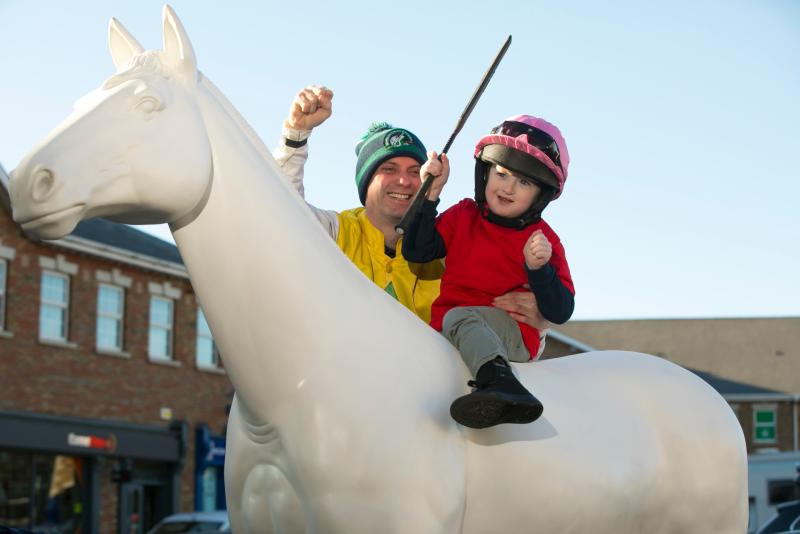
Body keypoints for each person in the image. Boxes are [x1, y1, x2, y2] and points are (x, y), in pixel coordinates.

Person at [272, 86, 552, 333]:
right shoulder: (334, 232)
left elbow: (496, 314)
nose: (404, 181)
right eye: (388, 169)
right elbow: (279, 211)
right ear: (366, 182)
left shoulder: (446, 247)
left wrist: (539, 319)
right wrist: (296, 135)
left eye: (416, 171)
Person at [402, 115, 575, 429]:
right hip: (447, 329)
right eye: (502, 173)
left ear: (540, 195)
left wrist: (539, 270)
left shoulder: (542, 240)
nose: (508, 187)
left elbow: (561, 310)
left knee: (459, 316)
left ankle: (502, 386)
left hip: (511, 333)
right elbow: (417, 251)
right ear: (485, 173)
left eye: (525, 182)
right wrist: (430, 193)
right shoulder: (464, 214)